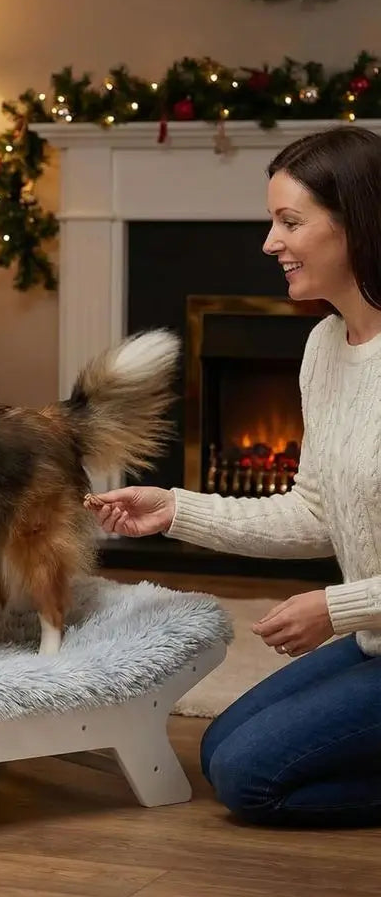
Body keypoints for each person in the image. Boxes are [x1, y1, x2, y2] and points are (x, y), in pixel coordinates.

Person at [85, 125, 381, 828]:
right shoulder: (326, 345)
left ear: (356, 224)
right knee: (221, 749)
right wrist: (175, 509)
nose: (270, 243)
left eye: (290, 222)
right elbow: (314, 512)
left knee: (252, 780)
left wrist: (335, 607)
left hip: (365, 625)